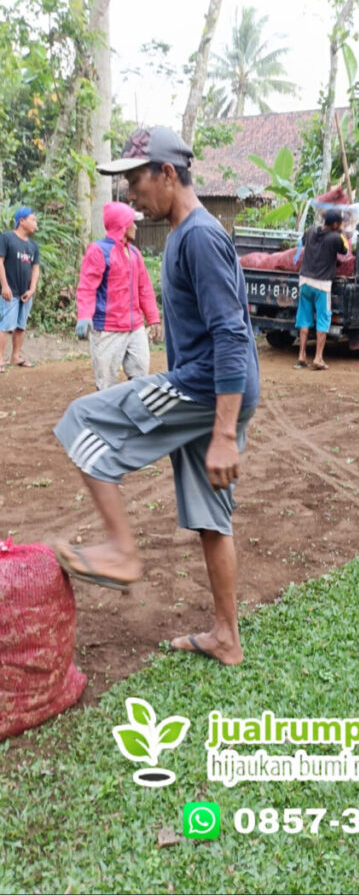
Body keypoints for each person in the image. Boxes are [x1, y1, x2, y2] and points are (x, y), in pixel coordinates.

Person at [54, 126, 260, 666]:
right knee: (211, 516)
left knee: (83, 422)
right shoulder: (183, 234)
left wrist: (222, 434)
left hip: (205, 388)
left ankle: (123, 551)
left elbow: (233, 335)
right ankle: (226, 637)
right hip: (212, 387)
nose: (127, 193)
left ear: (168, 173)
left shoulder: (198, 237)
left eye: (135, 179)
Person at [76, 201, 162, 389]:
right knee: (106, 384)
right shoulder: (98, 251)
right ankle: (106, 416)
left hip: (135, 327)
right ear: (123, 226)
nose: (136, 227)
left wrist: (153, 318)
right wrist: (84, 316)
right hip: (108, 329)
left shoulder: (135, 254)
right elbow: (87, 287)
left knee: (140, 376)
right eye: (133, 222)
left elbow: (144, 288)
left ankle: (135, 413)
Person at [295, 209, 348, 370]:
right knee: (323, 321)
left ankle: (301, 355)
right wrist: (342, 232)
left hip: (304, 282)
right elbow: (345, 250)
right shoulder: (335, 238)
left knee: (304, 320)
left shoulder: (311, 231)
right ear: (334, 224)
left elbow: (302, 242)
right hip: (321, 285)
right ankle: (318, 358)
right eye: (339, 222)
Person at [0, 207, 40, 373]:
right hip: (10, 291)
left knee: (20, 326)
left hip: (25, 292)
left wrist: (32, 289)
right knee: (6, 326)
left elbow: (35, 268)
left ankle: (15, 356)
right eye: (33, 219)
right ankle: (0, 359)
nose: (35, 224)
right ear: (21, 221)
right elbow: (0, 261)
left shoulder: (33, 246)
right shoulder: (6, 238)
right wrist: (5, 286)